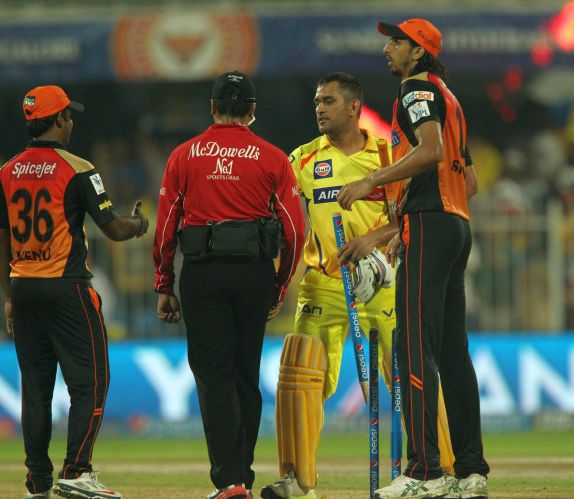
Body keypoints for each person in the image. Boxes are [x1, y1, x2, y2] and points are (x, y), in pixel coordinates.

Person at [261, 72, 456, 499]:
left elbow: (412, 214)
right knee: (298, 372)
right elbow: (283, 222)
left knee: (412, 372)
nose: (319, 108)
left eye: (328, 101)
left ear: (353, 107)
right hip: (324, 283)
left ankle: (442, 471)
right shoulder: (302, 160)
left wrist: (373, 239)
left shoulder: (389, 154)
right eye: (316, 101)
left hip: (383, 282)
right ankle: (297, 481)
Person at [337, 19, 490, 499]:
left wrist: (371, 181)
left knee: (412, 345)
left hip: (432, 225)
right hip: (452, 225)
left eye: (397, 42)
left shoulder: (415, 91)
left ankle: (425, 473)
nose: (387, 49)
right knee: (451, 352)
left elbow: (430, 152)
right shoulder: (448, 95)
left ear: (418, 52)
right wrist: (397, 227)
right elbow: (468, 181)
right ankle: (470, 470)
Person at [152, 71, 305, 499]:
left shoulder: (184, 156)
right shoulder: (274, 158)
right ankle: (243, 475)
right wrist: (279, 283)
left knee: (213, 376)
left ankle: (230, 480)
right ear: (252, 111)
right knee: (244, 375)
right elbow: (294, 230)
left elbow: (166, 225)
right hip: (253, 273)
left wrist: (164, 281)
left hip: (201, 274)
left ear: (212, 107)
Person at [0, 85, 149, 499]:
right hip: (66, 288)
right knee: (92, 380)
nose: (73, 122)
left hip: (23, 288)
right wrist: (139, 225)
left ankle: (37, 483)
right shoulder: (79, 167)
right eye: (69, 115)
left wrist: (9, 295)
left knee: (35, 388)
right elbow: (114, 230)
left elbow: (2, 239)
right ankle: (78, 469)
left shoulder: (6, 171)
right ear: (60, 120)